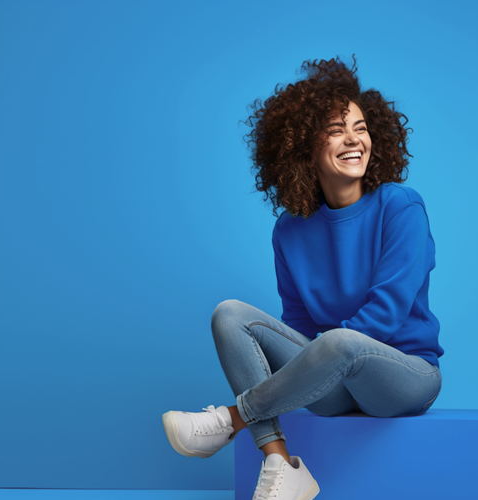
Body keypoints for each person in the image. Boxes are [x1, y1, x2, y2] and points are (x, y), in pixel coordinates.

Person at [162, 56, 444, 500]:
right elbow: (296, 324)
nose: (354, 140)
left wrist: (322, 354)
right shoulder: (290, 230)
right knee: (229, 314)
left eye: (361, 127)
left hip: (403, 378)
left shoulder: (401, 206)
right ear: (304, 149)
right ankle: (279, 460)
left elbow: (385, 317)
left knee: (340, 341)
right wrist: (316, 361)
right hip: (333, 384)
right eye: (336, 131)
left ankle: (229, 422)